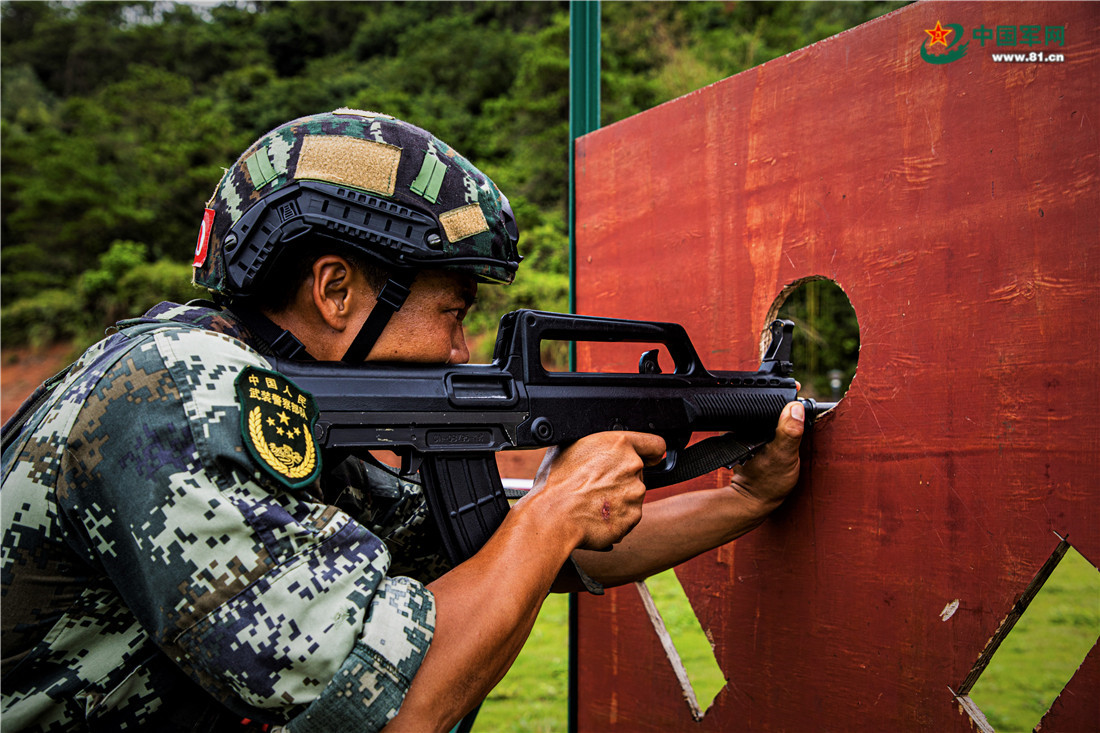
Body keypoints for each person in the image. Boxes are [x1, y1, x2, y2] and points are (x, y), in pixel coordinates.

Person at [1, 109, 805, 732]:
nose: (462, 349)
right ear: (336, 289)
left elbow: (516, 565)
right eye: (452, 313)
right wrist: (555, 514)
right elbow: (389, 706)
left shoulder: (294, 419)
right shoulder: (180, 389)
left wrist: (744, 497)